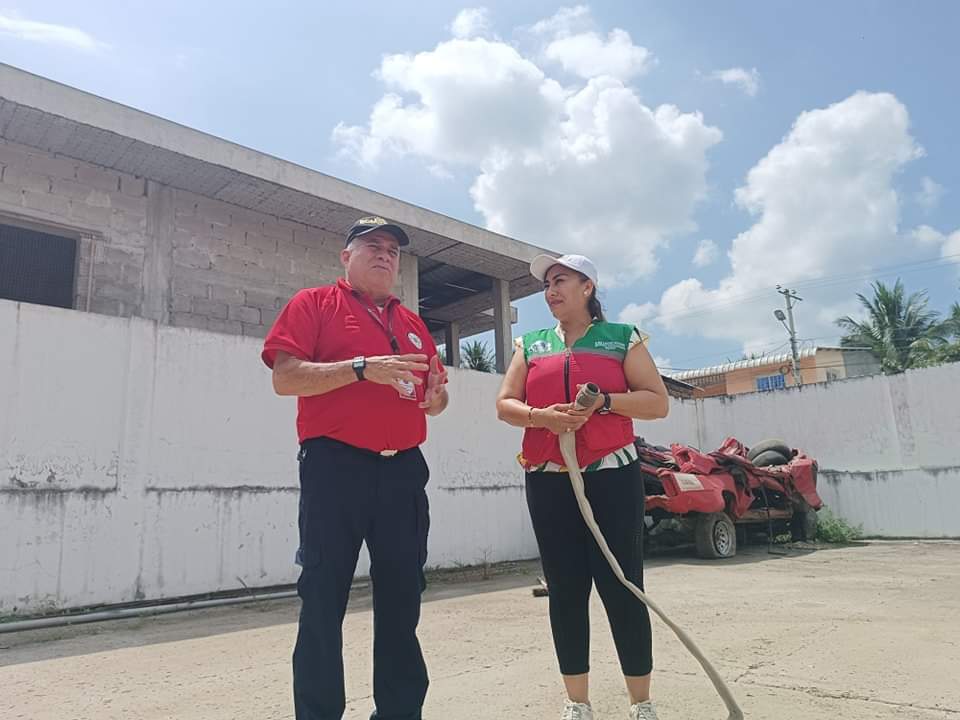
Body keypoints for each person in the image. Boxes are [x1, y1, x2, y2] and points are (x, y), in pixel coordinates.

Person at [261, 215, 449, 720]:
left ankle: (399, 712)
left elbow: (435, 398)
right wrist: (363, 368)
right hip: (335, 467)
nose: (385, 255)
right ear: (347, 256)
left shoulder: (413, 325)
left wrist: (436, 399)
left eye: (393, 250)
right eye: (373, 246)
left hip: (404, 472)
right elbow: (285, 378)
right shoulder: (314, 303)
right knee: (323, 599)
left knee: (403, 600)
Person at [496, 253, 669, 720]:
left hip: (612, 475)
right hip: (549, 478)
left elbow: (657, 402)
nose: (550, 292)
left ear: (587, 287)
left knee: (622, 584)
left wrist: (605, 402)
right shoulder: (530, 344)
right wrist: (542, 417)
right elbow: (505, 404)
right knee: (566, 589)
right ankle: (577, 703)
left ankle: (641, 703)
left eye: (560, 281)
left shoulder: (622, 338)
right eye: (546, 285)